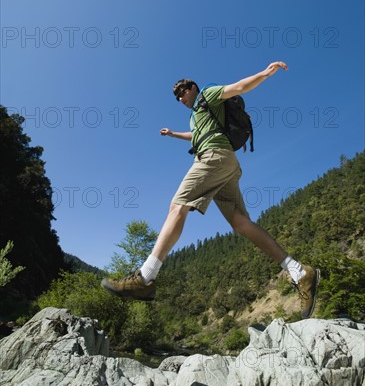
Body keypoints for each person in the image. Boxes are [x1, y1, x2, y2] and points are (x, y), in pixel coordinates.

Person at [102, 62, 320, 319]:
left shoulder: (208, 93)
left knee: (177, 206)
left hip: (213, 158)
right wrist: (173, 134)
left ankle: (145, 278)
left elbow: (238, 87)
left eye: (182, 91)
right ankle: (299, 271)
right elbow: (195, 135)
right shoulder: (196, 115)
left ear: (192, 87)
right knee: (240, 223)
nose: (180, 98)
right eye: (176, 96)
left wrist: (264, 73)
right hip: (225, 164)